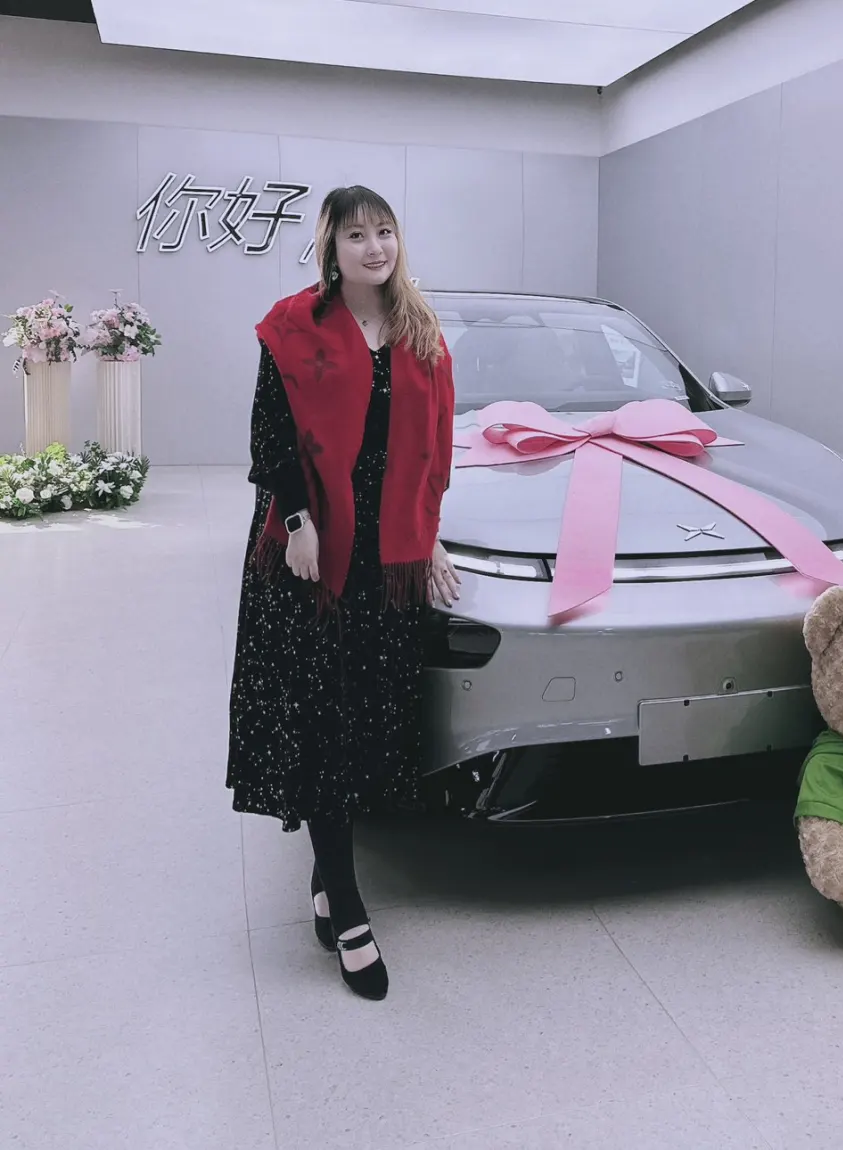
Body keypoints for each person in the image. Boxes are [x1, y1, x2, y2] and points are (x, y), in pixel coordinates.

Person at [226, 185, 461, 1001]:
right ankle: (351, 915)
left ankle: (327, 881)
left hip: (386, 560)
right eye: (356, 234)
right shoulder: (294, 325)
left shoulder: (420, 330)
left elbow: (434, 450)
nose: (374, 247)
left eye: (385, 231)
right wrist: (298, 523)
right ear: (330, 245)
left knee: (363, 725)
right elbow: (269, 436)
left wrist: (428, 539)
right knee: (321, 726)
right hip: (311, 556)